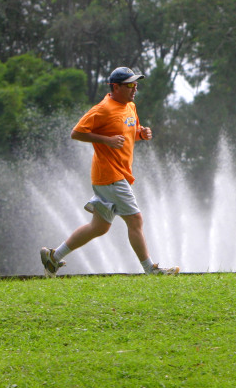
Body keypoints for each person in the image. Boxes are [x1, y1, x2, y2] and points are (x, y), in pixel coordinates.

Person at [40, 67, 180, 277]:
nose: (134, 89)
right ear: (116, 87)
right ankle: (150, 269)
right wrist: (106, 140)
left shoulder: (130, 106)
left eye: (136, 85)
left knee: (99, 227)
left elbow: (129, 133)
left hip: (117, 175)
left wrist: (142, 134)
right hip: (110, 175)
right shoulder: (103, 109)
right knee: (136, 220)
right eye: (130, 85)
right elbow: (76, 132)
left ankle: (54, 257)